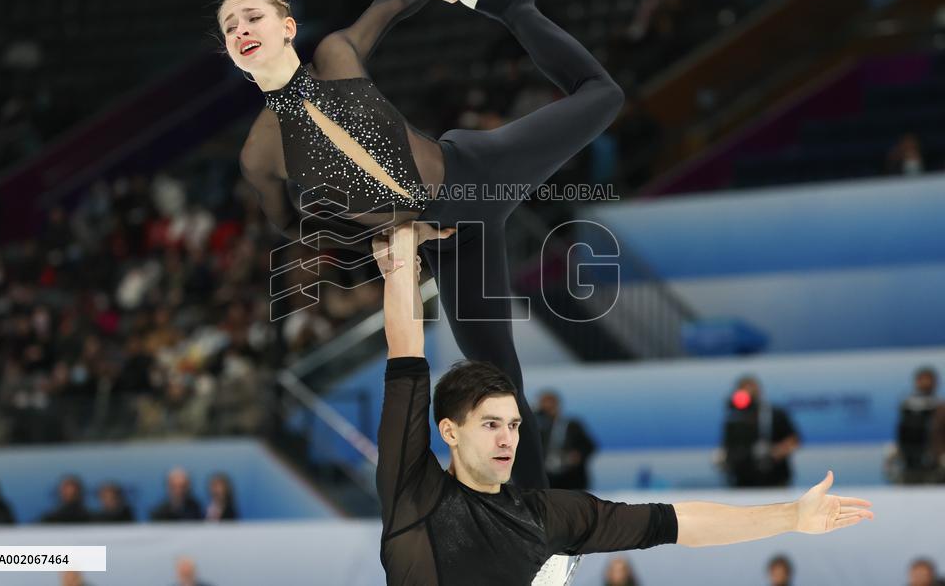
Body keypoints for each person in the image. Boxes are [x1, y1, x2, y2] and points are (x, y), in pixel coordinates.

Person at [225, 0, 627, 489]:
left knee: (602, 95)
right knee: (498, 383)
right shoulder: (259, 153)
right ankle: (539, 525)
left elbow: (389, 7)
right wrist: (394, 233)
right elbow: (292, 227)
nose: (240, 29)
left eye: (252, 16)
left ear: (288, 27)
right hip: (446, 240)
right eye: (230, 27)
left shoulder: (338, 56)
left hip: (478, 174)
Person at [374, 224, 873, 585]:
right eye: (490, 425)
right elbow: (406, 353)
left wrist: (790, 516)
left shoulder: (544, 517)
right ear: (450, 431)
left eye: (514, 424)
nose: (509, 438)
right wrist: (400, 255)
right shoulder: (413, 492)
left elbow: (675, 523)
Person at [720, 376, 800, 487]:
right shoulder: (734, 417)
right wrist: (724, 457)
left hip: (774, 480)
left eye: (751, 390)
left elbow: (794, 441)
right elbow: (728, 446)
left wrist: (775, 452)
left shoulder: (774, 414)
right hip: (742, 483)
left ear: (758, 392)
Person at [536, 390, 596, 489]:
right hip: (546, 478)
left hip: (570, 477)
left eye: (550, 404)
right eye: (543, 405)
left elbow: (589, 446)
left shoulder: (572, 425)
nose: (547, 409)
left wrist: (577, 455)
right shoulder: (537, 427)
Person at [895, 367, 943, 484]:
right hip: (908, 449)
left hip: (935, 450)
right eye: (922, 379)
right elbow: (902, 430)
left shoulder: (940, 406)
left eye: (928, 380)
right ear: (916, 382)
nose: (925, 383)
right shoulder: (907, 403)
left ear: (935, 382)